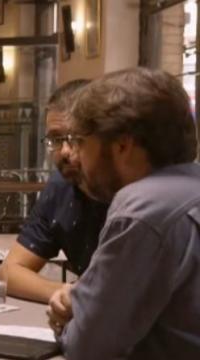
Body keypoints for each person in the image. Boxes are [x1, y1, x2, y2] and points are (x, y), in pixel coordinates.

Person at [46, 68, 200, 359]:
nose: (75, 156)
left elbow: (89, 348)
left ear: (122, 146)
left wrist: (69, 321)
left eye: (80, 141)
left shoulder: (141, 209)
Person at [2, 79, 109, 303]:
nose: (65, 151)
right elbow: (9, 273)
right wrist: (72, 294)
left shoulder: (135, 190)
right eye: (56, 139)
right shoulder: (60, 188)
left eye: (75, 138)